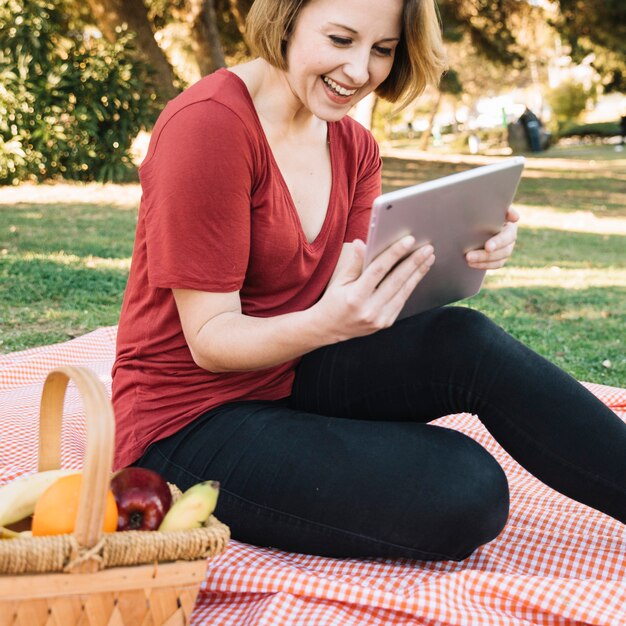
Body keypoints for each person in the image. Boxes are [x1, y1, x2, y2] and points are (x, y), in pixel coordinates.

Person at [112, 0, 626, 561]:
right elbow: (210, 342)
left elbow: (350, 292)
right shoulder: (208, 126)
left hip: (296, 373)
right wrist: (326, 322)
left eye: (382, 50)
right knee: (466, 486)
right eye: (340, 40)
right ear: (285, 18)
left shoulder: (354, 146)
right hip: (190, 420)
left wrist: (461, 245)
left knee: (465, 339)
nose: (360, 72)